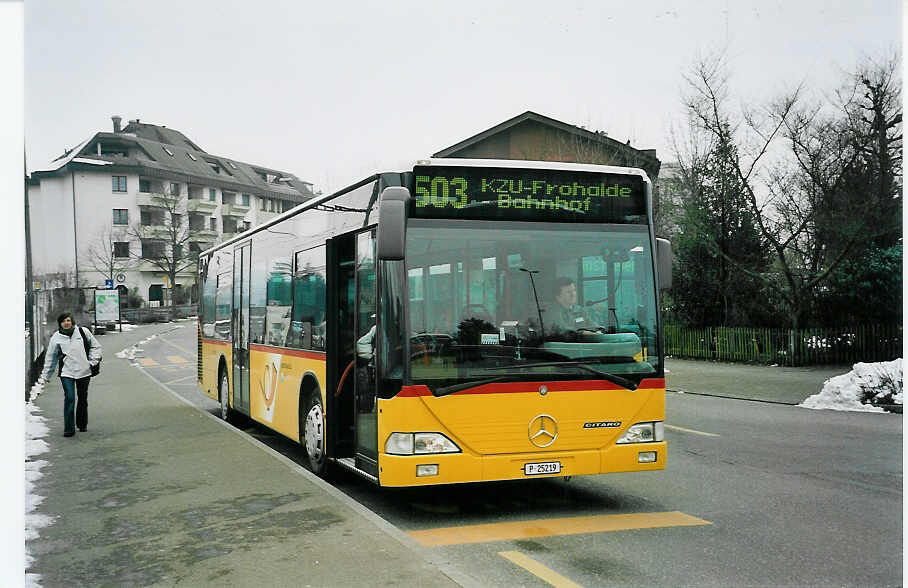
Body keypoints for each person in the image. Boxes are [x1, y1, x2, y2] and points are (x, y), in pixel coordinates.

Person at [38, 312, 102, 437]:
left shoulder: (83, 332)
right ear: (60, 324)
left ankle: (82, 424)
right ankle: (69, 428)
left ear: (72, 321)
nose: (66, 323)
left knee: (82, 398)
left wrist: (92, 362)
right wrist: (46, 376)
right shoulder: (56, 337)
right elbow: (51, 358)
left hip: (84, 372)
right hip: (67, 372)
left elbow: (96, 347)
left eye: (68, 320)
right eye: (63, 321)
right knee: (70, 398)